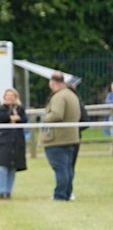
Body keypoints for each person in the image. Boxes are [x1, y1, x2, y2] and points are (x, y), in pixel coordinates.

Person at [42, 71, 80, 201]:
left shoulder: (59, 96)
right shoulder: (71, 94)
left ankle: (60, 195)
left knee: (60, 168)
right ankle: (67, 193)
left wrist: (45, 118)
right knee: (67, 168)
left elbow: (57, 114)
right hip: (71, 137)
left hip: (57, 138)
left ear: (53, 83)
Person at [0, 88, 27, 200]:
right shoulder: (1, 108)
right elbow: (1, 118)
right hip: (3, 141)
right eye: (8, 95)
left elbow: (24, 120)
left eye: (12, 95)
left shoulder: (20, 109)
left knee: (12, 167)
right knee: (2, 167)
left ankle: (8, 192)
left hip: (16, 142)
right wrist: (11, 118)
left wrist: (16, 119)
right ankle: (1, 191)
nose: (10, 97)